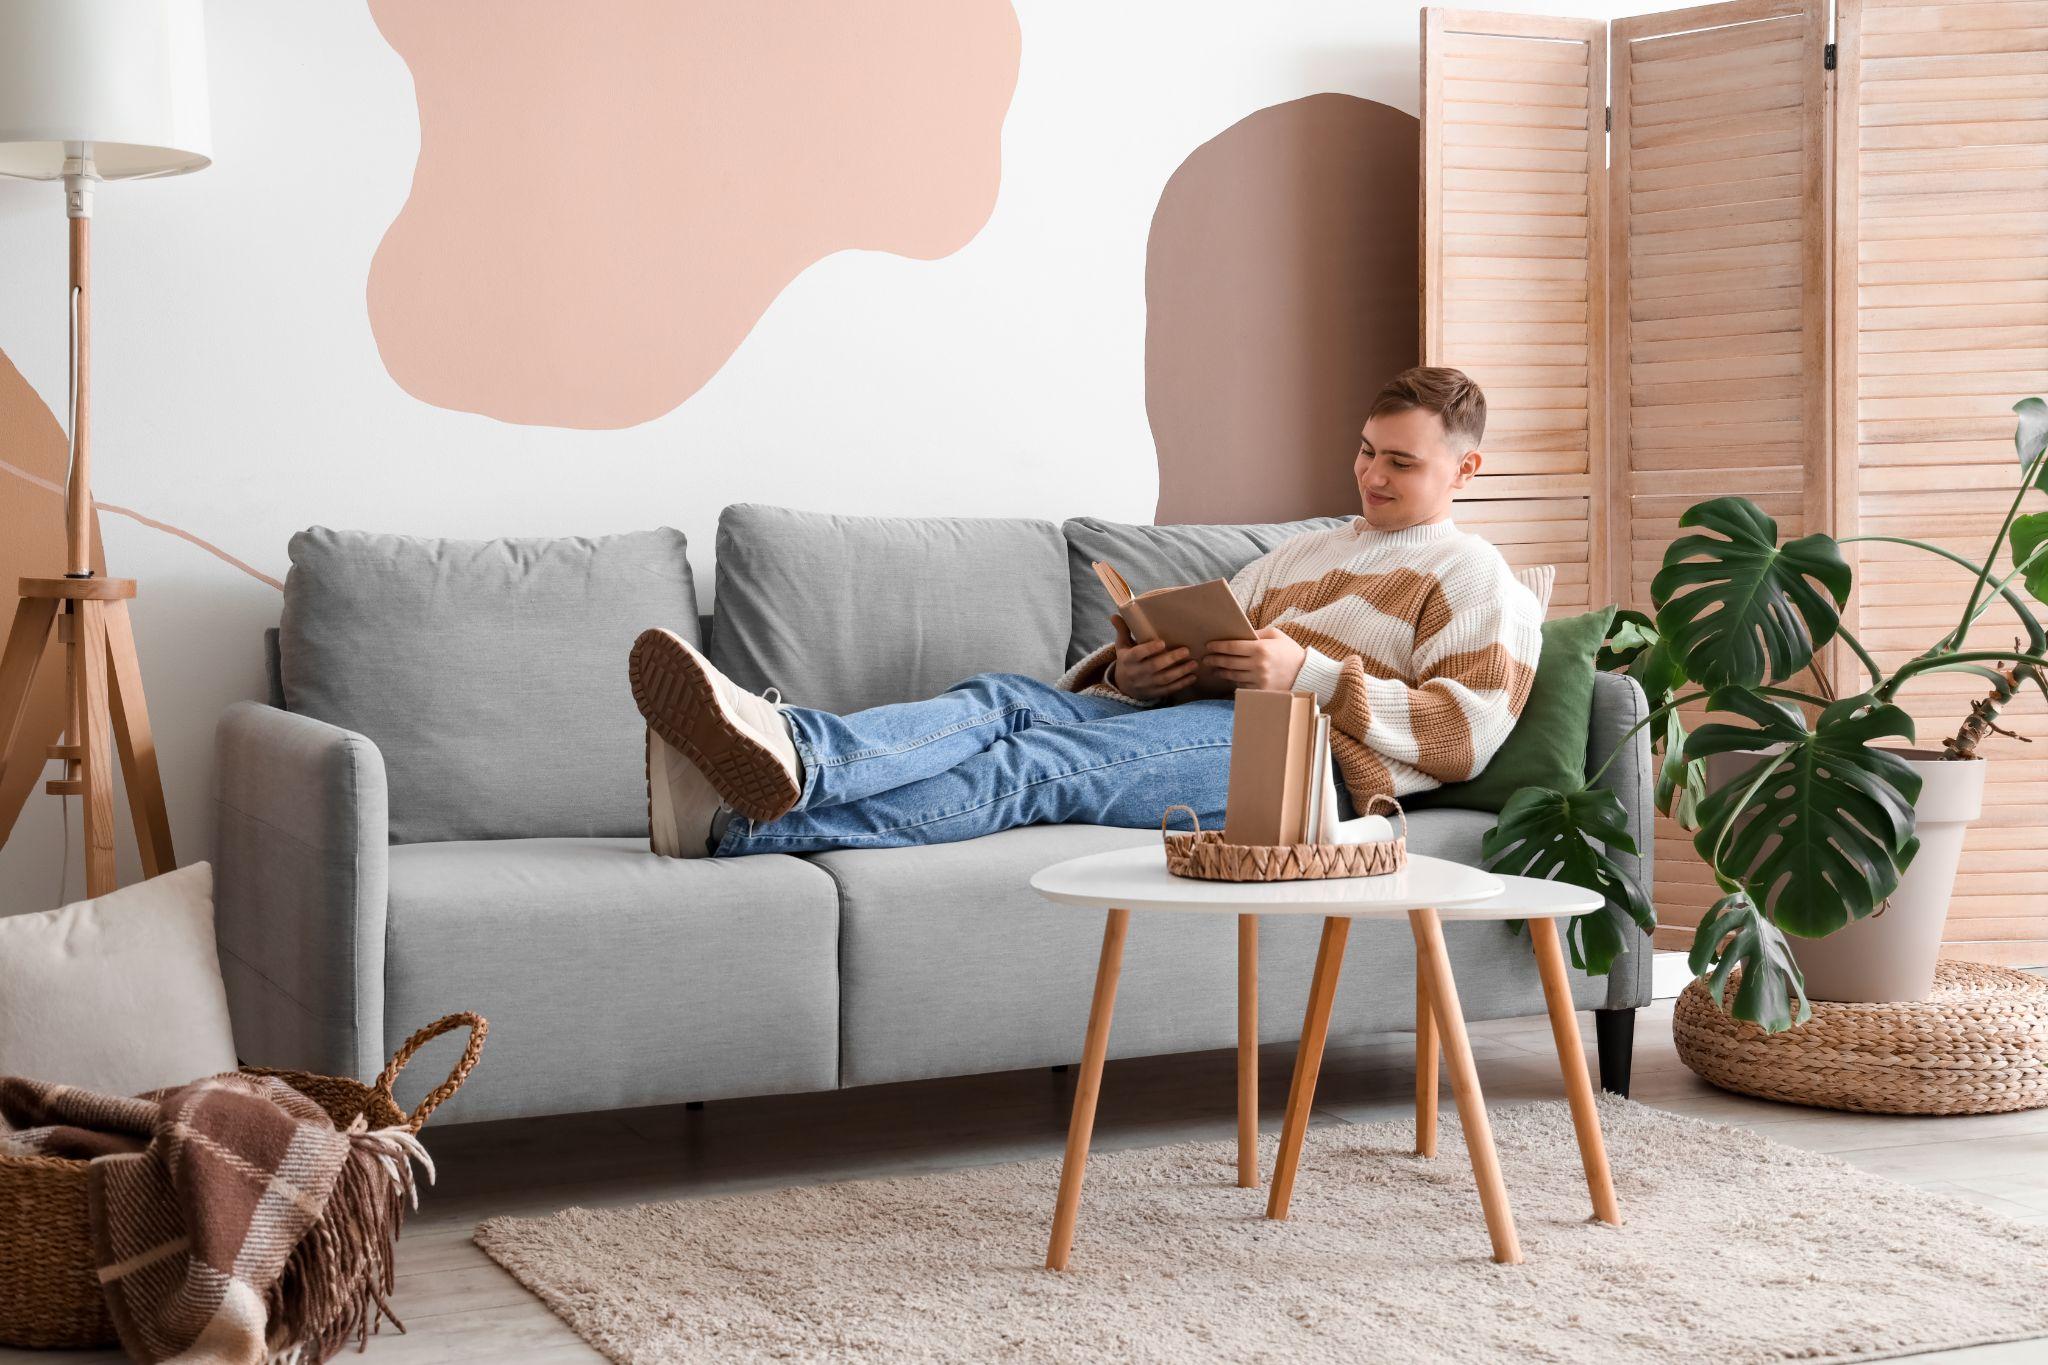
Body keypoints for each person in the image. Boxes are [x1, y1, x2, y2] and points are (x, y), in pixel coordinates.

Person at [631, 366, 1543, 858]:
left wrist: (1304, 674)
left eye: (1401, 463)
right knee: (1002, 698)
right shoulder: (1309, 551)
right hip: (1208, 718)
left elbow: (1462, 736)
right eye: (1365, 450)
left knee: (1043, 761)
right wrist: (1136, 670)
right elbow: (1218, 635)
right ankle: (799, 751)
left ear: (1464, 471)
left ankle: (743, 820)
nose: (1371, 475)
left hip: (1307, 765)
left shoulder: (1473, 575)